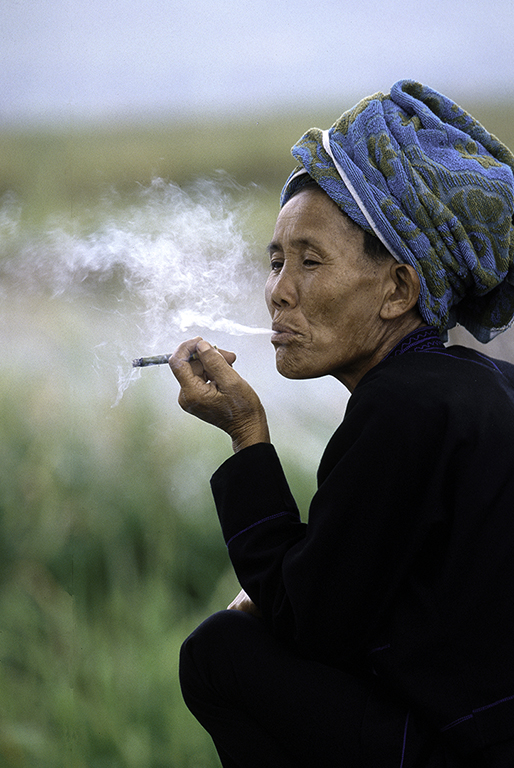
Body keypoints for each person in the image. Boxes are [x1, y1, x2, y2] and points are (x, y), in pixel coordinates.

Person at [169, 80, 514, 767]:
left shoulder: (402, 406)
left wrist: (246, 435)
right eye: (276, 261)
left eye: (310, 260)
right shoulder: (480, 387)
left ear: (398, 290)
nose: (279, 290)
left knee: (218, 654)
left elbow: (310, 624)